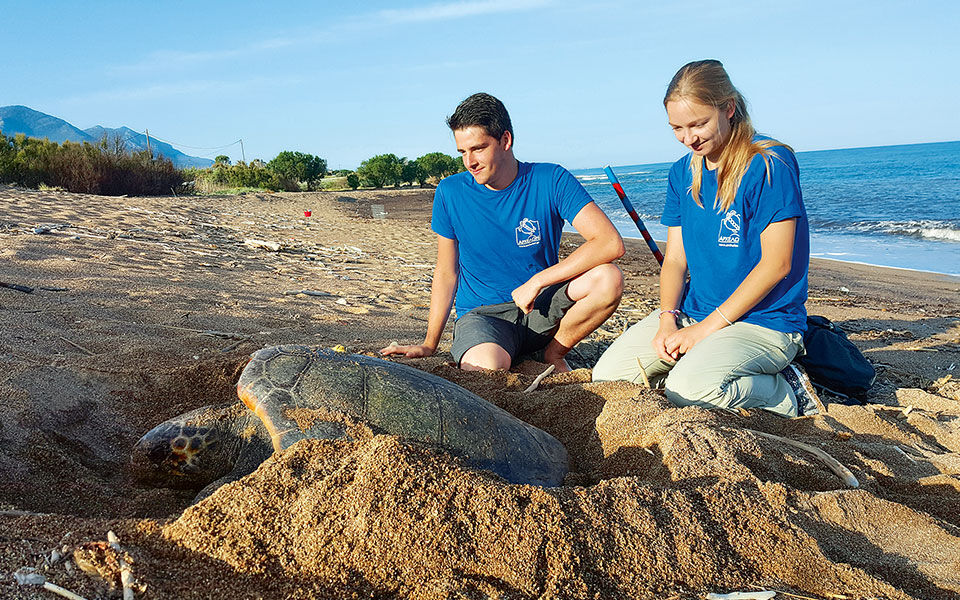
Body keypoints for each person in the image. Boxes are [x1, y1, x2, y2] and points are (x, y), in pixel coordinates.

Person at [592, 60, 818, 417]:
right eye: (677, 128)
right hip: (693, 312)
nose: (689, 138)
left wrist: (703, 332)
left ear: (728, 108)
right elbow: (675, 260)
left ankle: (786, 389)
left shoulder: (770, 163)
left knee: (690, 389)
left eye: (698, 124)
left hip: (764, 322)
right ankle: (700, 364)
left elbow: (777, 264)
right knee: (608, 378)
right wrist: (667, 319)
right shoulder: (682, 171)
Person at [381, 92, 625, 373]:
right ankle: (506, 353)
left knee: (609, 278)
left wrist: (537, 282)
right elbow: (447, 272)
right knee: (488, 368)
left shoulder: (551, 179)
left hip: (541, 306)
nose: (469, 162)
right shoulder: (450, 192)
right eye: (462, 152)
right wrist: (429, 344)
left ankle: (553, 353)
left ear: (505, 140)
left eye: (478, 149)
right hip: (484, 316)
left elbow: (610, 243)